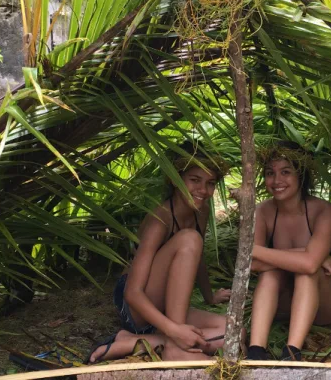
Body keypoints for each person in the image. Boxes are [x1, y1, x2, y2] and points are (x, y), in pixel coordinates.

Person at [88, 144, 232, 363]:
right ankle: (174, 345)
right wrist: (175, 330)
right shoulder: (160, 220)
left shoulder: (200, 210)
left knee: (233, 332)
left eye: (210, 183)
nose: (203, 190)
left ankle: (136, 341)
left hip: (166, 308)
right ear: (175, 179)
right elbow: (132, 293)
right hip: (137, 304)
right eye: (195, 180)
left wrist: (209, 296)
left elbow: (197, 256)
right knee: (189, 239)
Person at [247, 141, 331, 361]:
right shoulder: (262, 212)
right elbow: (251, 265)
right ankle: (256, 352)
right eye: (270, 173)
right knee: (270, 274)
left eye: (286, 172)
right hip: (282, 305)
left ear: (301, 174)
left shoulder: (323, 211)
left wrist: (255, 250)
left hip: (325, 304)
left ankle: (292, 353)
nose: (277, 181)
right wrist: (305, 252)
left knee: (306, 272)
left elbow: (310, 265)